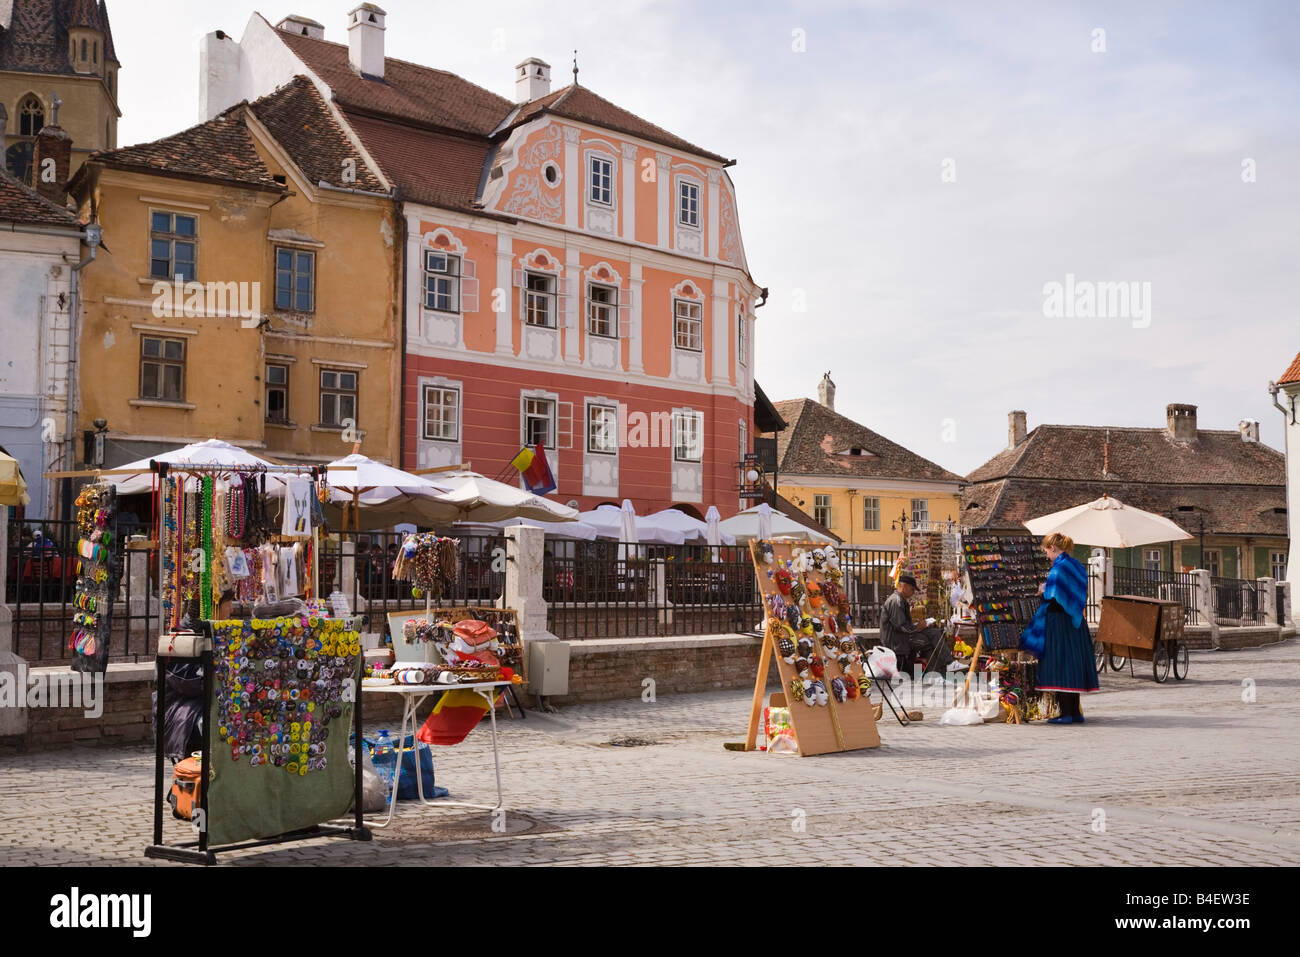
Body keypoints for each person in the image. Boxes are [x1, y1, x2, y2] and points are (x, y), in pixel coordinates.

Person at [1020, 532, 1098, 724]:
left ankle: (1065, 714)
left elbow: (1054, 598)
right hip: (1076, 623)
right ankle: (1075, 712)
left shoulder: (1058, 568)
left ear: (1053, 548)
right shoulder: (1076, 566)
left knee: (1059, 664)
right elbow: (1074, 593)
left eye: (1046, 551)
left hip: (1059, 623)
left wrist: (1042, 591)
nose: (1046, 555)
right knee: (1072, 664)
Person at [154, 589, 235, 762]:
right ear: (213, 608)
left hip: (207, 705)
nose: (231, 611)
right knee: (218, 725)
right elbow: (187, 682)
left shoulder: (219, 635)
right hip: (182, 712)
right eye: (228, 605)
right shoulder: (181, 639)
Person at [878, 574, 952, 677]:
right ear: (904, 586)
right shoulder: (896, 601)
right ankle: (944, 667)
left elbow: (904, 625)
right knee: (929, 643)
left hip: (901, 637)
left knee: (934, 633)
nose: (913, 592)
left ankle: (942, 669)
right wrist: (917, 627)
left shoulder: (901, 600)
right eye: (912, 589)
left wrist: (919, 625)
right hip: (896, 641)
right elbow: (901, 626)